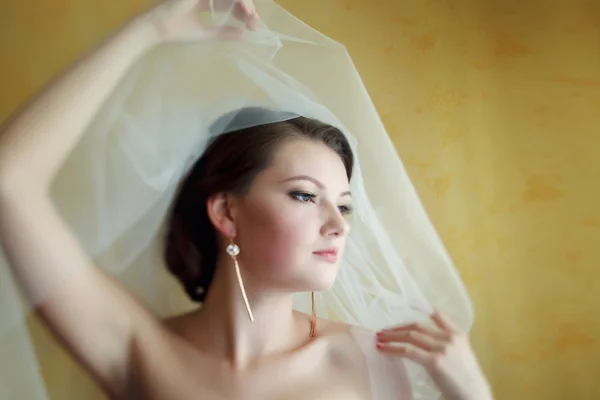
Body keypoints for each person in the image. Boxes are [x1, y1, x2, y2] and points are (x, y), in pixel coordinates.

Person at [0, 0, 493, 399]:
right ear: (226, 211)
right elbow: (8, 184)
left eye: (343, 205)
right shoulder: (137, 347)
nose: (338, 226)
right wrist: (149, 29)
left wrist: (471, 392)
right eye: (305, 195)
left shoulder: (371, 360)